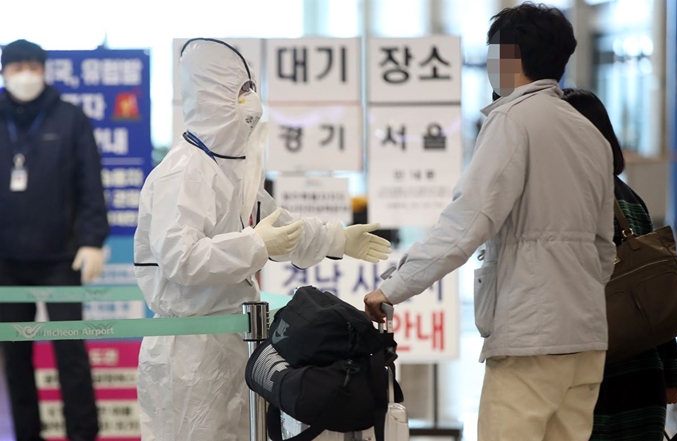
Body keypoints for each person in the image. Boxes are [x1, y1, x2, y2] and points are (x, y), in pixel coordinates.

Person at [364, 4, 616, 441]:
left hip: (529, 337)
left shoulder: (512, 121)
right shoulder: (589, 133)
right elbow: (604, 247)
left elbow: (467, 223)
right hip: (586, 336)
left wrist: (393, 286)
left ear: (510, 59)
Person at [133, 38, 391, 441]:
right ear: (211, 95)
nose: (252, 100)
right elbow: (180, 258)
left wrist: (336, 239)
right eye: (241, 90)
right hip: (189, 351)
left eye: (252, 88)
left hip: (235, 337)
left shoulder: (235, 168)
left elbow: (278, 226)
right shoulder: (182, 173)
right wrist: (255, 245)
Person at [0, 40, 108, 441]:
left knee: (70, 353)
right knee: (14, 357)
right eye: (16, 66)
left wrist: (93, 240)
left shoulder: (70, 118)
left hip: (62, 257)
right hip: (5, 261)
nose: (24, 74)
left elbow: (90, 184)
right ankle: (27, 434)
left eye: (32, 65)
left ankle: (83, 434)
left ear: (44, 70)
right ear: (4, 71)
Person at [562, 88, 677, 441]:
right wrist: (672, 374)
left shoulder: (570, 201)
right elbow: (654, 294)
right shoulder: (629, 197)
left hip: (594, 374)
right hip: (643, 373)